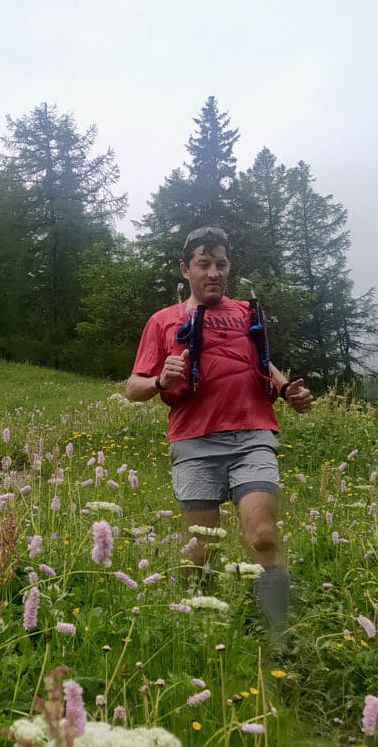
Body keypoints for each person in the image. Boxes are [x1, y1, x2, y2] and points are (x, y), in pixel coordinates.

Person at [125, 226, 313, 647]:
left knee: (263, 536)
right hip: (194, 444)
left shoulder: (248, 313)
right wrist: (159, 380)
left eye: (221, 264)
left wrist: (286, 390)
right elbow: (132, 387)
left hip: (253, 436)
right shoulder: (163, 321)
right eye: (204, 264)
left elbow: (261, 363)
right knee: (199, 553)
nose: (214, 272)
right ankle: (197, 635)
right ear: (185, 269)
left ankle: (280, 643)